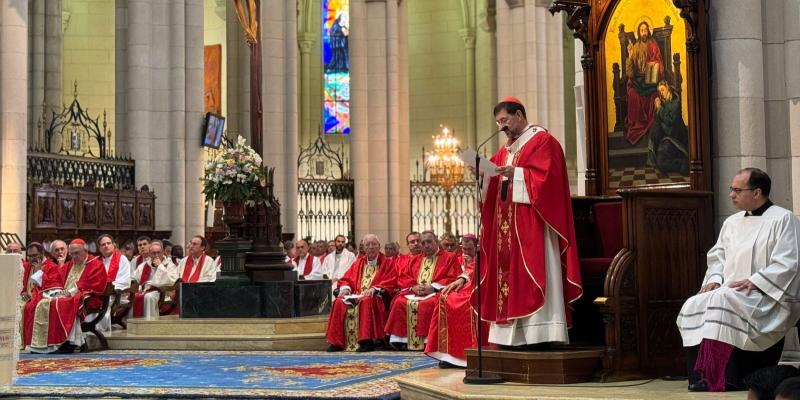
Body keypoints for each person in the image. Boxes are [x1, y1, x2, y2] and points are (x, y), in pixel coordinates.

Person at [677, 168, 800, 392]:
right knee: (694, 303)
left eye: (737, 190)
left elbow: (789, 261)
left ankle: (725, 377)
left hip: (766, 294)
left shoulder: (783, 219)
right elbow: (717, 257)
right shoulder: (731, 222)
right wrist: (714, 278)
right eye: (731, 189)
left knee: (722, 301)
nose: (731, 195)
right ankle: (702, 376)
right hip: (732, 291)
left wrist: (756, 281)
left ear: (757, 192)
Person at [475, 97, 582, 349]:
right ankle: (509, 338)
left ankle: (541, 334)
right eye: (498, 122)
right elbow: (494, 177)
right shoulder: (506, 150)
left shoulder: (543, 141)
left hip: (533, 225)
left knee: (534, 272)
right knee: (507, 278)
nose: (502, 126)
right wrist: (482, 172)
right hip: (506, 227)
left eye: (504, 120)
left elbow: (549, 180)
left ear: (520, 115)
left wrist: (519, 174)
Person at [22, 239, 107, 353]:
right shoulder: (69, 264)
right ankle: (51, 344)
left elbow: (93, 283)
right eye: (72, 254)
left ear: (85, 251)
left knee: (61, 303)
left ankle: (69, 343)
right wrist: (56, 291)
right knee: (44, 303)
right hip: (65, 295)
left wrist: (70, 292)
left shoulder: (96, 264)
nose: (74, 257)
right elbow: (57, 280)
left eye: (77, 253)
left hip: (88, 298)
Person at [385, 231, 460, 350]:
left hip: (437, 292)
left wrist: (434, 287)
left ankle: (427, 341)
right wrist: (413, 287)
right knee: (399, 301)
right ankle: (401, 340)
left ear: (436, 242)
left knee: (428, 304)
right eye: (423, 242)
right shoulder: (415, 259)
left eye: (429, 242)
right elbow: (404, 276)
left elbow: (453, 277)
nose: (426, 245)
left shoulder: (449, 257)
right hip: (416, 292)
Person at [325, 234, 398, 352]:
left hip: (376, 298)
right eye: (367, 245)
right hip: (357, 295)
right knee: (338, 301)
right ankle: (336, 342)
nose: (371, 247)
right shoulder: (359, 262)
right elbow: (347, 278)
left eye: (374, 244)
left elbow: (391, 280)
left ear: (379, 246)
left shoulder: (387, 263)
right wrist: (345, 289)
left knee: (366, 300)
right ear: (363, 248)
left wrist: (375, 288)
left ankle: (366, 341)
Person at [425, 233, 487, 367]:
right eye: (464, 249)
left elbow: (480, 265)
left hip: (482, 285)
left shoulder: (482, 253)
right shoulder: (458, 258)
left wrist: (464, 275)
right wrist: (462, 276)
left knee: (468, 303)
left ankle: (471, 355)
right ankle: (448, 355)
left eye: (469, 249)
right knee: (445, 297)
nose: (466, 252)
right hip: (468, 284)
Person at [624, 21, 665, 145]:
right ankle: (636, 124)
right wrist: (630, 56)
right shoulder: (635, 47)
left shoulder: (653, 45)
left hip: (651, 78)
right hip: (638, 79)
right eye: (641, 30)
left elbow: (659, 61)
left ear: (648, 31)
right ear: (638, 32)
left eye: (645, 30)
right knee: (632, 94)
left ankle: (651, 124)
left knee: (653, 95)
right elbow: (630, 73)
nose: (644, 33)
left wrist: (654, 66)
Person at [646, 80, 689, 175]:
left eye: (662, 90)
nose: (661, 93)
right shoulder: (663, 102)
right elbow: (658, 121)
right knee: (660, 161)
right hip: (666, 137)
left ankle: (682, 164)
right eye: (659, 91)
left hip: (675, 138)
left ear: (668, 89)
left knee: (661, 164)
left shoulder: (675, 102)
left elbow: (670, 121)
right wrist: (657, 108)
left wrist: (660, 108)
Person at [130, 241, 178, 319]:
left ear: (163, 252)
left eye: (158, 252)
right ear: (149, 254)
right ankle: (137, 325)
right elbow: (133, 278)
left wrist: (160, 266)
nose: (156, 255)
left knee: (149, 297)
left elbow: (172, 281)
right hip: (145, 291)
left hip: (163, 293)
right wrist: (133, 285)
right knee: (135, 297)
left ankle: (150, 324)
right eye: (153, 253)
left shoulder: (170, 265)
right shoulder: (144, 265)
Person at [95, 234, 131, 333]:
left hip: (115, 293)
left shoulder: (122, 259)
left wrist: (108, 288)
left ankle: (101, 331)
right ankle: (88, 329)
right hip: (98, 292)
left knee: (102, 302)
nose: (106, 246)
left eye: (108, 243)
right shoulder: (96, 261)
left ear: (113, 245)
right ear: (100, 248)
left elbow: (124, 279)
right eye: (103, 244)